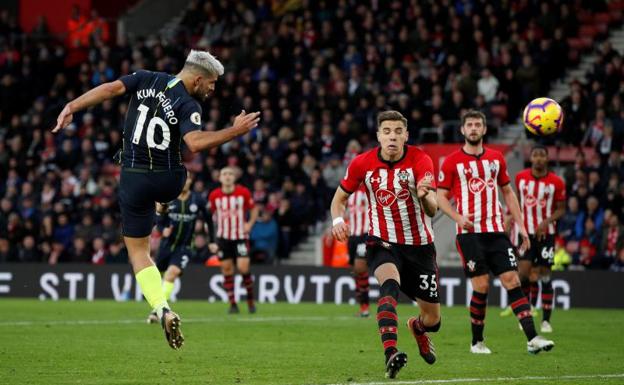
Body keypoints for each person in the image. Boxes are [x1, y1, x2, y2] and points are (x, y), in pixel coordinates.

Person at [52, 49, 260, 349]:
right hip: (168, 179)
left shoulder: (145, 78)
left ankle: (161, 306)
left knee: (139, 253)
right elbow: (196, 143)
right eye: (212, 83)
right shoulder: (189, 104)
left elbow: (110, 90)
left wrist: (72, 105)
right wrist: (235, 131)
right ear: (198, 78)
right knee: (182, 173)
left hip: (133, 178)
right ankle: (162, 212)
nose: (213, 89)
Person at [330, 111, 441, 379]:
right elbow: (339, 199)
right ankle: (391, 353)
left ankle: (417, 328)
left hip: (420, 246)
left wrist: (424, 196)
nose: (392, 136)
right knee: (388, 288)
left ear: (406, 135)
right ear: (379, 136)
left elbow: (432, 208)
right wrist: (337, 221)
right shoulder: (362, 163)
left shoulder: (421, 160)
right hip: (382, 240)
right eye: (387, 131)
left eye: (398, 131)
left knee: (433, 321)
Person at [436, 110, 554, 355]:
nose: (473, 128)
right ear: (462, 130)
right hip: (469, 233)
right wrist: (458, 217)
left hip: (497, 231)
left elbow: (508, 193)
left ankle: (532, 338)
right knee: (481, 286)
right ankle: (477, 342)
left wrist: (521, 227)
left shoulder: (496, 158)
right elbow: (440, 196)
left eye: (478, 124)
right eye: (469, 125)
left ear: (484, 129)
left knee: (512, 280)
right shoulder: (451, 162)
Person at [147, 172, 213, 323]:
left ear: (191, 181)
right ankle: (159, 303)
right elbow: (158, 217)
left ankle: (158, 311)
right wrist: (162, 229)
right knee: (158, 275)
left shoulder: (198, 199)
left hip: (185, 247)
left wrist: (212, 240)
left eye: (188, 178)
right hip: (166, 245)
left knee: (172, 274)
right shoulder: (168, 198)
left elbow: (209, 219)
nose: (185, 181)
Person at [513, 145, 566, 333]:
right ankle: (526, 315)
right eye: (535, 155)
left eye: (542, 155)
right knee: (524, 274)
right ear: (531, 158)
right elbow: (517, 203)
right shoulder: (520, 178)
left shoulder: (557, 182)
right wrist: (512, 219)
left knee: (544, 275)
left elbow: (561, 208)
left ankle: (546, 321)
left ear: (547, 158)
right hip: (526, 234)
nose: (538, 158)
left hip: (547, 234)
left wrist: (546, 222)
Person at [209, 167, 259, 314]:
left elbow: (254, 209)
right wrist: (212, 240)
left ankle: (250, 300)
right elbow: (209, 217)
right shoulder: (214, 195)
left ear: (234, 177)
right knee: (227, 270)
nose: (227, 176)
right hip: (223, 238)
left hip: (240, 237)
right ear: (220, 178)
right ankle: (233, 304)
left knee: (243, 268)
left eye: (230, 174)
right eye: (224, 174)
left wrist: (249, 224)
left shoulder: (243, 192)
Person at [346, 183, 371, 317]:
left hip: (364, 235)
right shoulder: (349, 192)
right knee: (355, 271)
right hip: (352, 237)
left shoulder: (369, 191)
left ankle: (365, 306)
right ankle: (362, 305)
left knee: (360, 268)